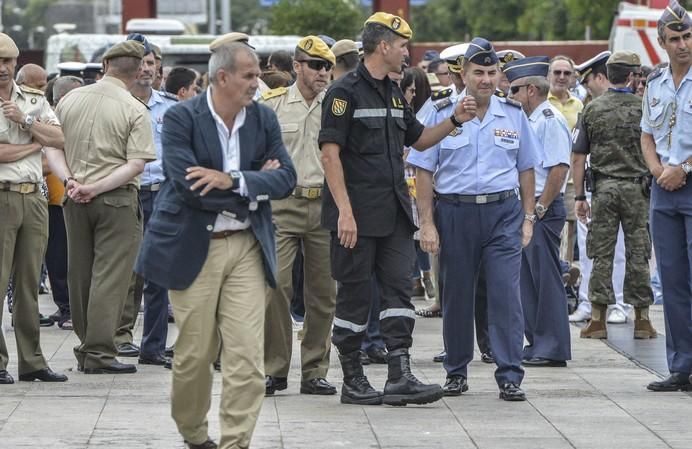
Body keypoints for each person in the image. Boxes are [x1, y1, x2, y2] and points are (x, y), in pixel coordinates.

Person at [135, 39, 296, 449]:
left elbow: (286, 178)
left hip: (246, 245)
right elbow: (188, 186)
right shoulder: (181, 118)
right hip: (192, 246)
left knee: (246, 359)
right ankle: (194, 434)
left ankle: (235, 442)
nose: (257, 83)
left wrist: (234, 179)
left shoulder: (263, 119)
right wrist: (256, 181)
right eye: (250, 76)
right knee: (194, 355)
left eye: (258, 75)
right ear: (222, 77)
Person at [320, 12, 473, 406]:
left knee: (399, 295)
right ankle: (353, 380)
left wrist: (456, 119)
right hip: (356, 217)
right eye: (403, 45)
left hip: (393, 215)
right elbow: (330, 156)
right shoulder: (343, 93)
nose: (408, 52)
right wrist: (345, 213)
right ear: (383, 46)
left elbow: (420, 141)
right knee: (354, 299)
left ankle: (399, 376)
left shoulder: (391, 92)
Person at [408, 37, 539, 401]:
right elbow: (422, 170)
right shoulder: (439, 112)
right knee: (456, 296)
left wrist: (528, 218)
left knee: (505, 294)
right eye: (478, 72)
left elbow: (526, 168)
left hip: (502, 214)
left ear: (499, 75)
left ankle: (510, 373)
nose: (485, 79)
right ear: (462, 74)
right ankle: (456, 370)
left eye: (491, 72)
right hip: (455, 212)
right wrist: (427, 223)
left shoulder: (513, 114)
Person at [47, 40, 156, 375]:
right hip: (116, 199)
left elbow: (52, 149)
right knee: (111, 277)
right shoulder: (135, 108)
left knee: (79, 272)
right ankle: (99, 351)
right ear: (138, 70)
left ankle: (86, 345)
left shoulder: (68, 100)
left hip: (73, 196)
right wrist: (96, 186)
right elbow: (136, 164)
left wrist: (71, 182)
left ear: (105, 64)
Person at [260, 36, 337, 396]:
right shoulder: (272, 105)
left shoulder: (338, 105)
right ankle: (274, 369)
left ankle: (315, 370)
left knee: (323, 293)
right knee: (274, 286)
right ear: (297, 66)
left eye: (328, 66)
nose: (324, 72)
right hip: (282, 205)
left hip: (324, 205)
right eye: (316, 65)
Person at [0, 32, 67, 385]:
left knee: (28, 284)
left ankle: (33, 362)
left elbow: (60, 138)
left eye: (7, 61)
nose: (2, 68)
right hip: (3, 196)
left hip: (34, 197)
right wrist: (34, 144)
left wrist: (26, 124)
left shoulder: (33, 99)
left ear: (15, 63)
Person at [572, 51, 653, 334]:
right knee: (638, 253)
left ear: (608, 74)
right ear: (632, 76)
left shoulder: (592, 109)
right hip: (637, 191)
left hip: (604, 190)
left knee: (601, 254)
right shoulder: (644, 108)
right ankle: (642, 319)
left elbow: (579, 156)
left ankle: (597, 320)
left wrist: (580, 196)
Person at [504, 56, 572, 367]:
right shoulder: (529, 120)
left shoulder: (549, 119)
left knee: (546, 279)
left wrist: (539, 208)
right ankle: (536, 341)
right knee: (529, 281)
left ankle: (552, 346)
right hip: (528, 208)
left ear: (531, 90)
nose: (510, 96)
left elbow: (558, 168)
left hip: (543, 208)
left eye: (514, 90)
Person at [640, 0, 692, 392]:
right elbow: (646, 134)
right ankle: (680, 366)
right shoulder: (655, 83)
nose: (682, 45)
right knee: (671, 280)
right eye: (674, 39)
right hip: (663, 190)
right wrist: (659, 170)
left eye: (688, 36)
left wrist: (682, 169)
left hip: (689, 180)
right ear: (662, 42)